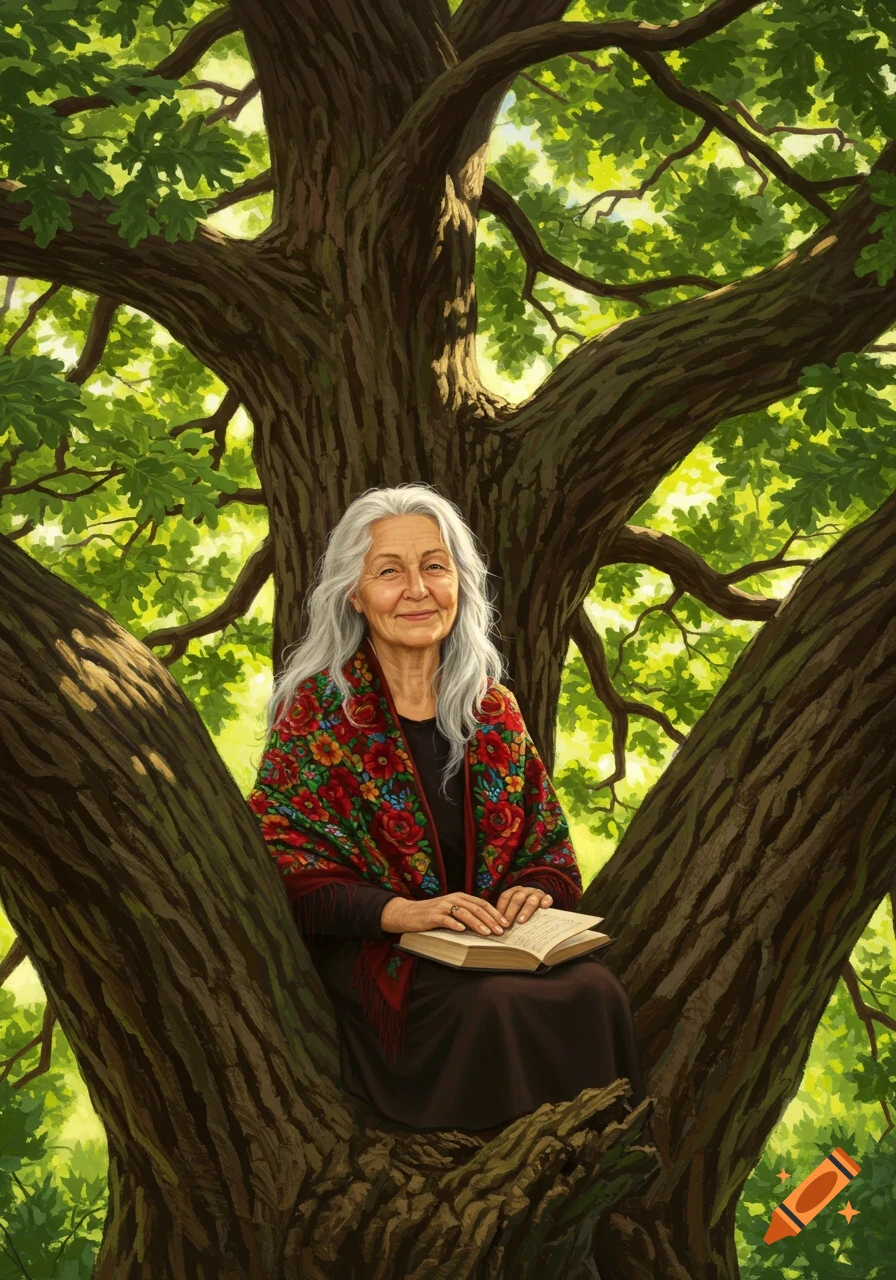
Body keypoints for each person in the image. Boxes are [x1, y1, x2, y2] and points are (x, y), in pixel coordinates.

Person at [249, 482, 646, 1135]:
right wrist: (401, 912)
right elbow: (280, 870)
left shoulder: (493, 710)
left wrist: (533, 893)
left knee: (595, 991)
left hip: (492, 945)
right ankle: (505, 1183)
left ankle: (601, 1168)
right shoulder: (318, 713)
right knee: (490, 1007)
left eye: (435, 566)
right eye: (389, 571)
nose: (417, 589)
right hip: (383, 959)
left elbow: (548, 850)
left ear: (460, 583)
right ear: (354, 593)